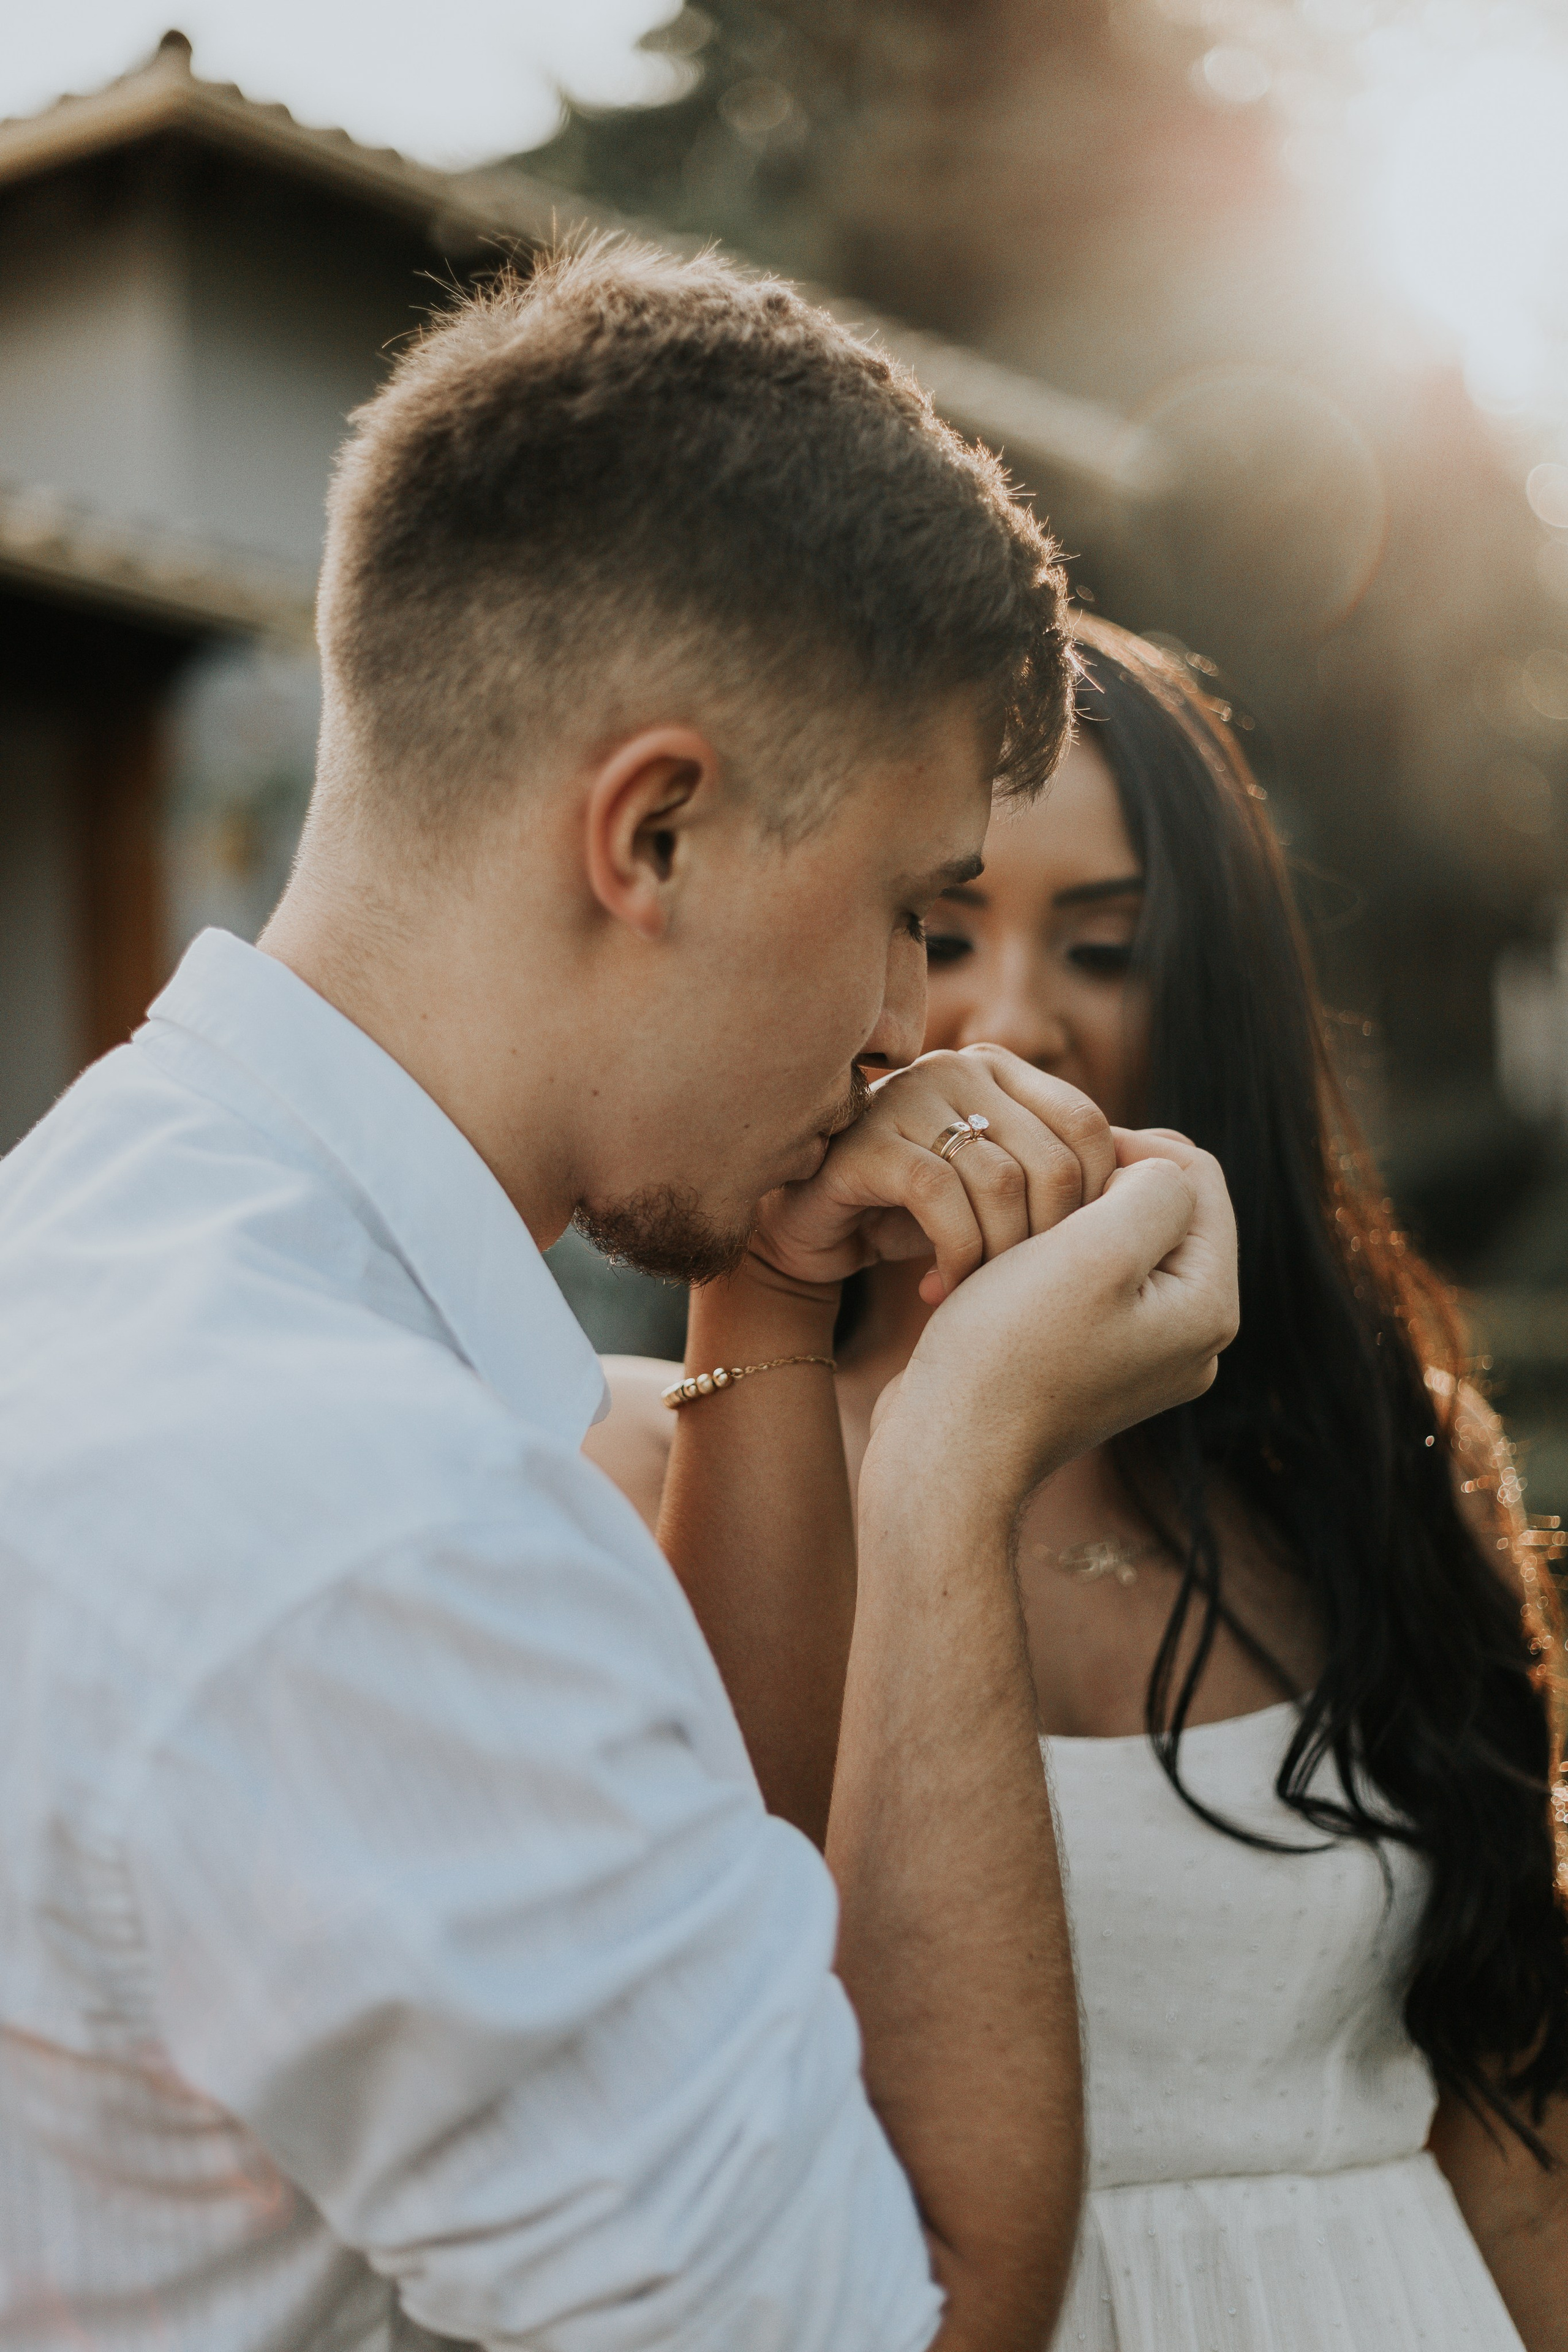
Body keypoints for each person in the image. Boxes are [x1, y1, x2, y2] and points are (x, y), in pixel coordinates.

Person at [0, 249, 1240, 2351]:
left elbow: (684, 1946)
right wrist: (949, 1469)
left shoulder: (111, 1247)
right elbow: (916, 2317)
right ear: (653, 829)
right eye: (911, 908)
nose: (902, 1025)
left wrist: (768, 1291)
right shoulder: (376, 1524)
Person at [590, 616, 1568, 2351]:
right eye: (941, 928)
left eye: (1103, 946)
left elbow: (1511, 2132)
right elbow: (729, 2055)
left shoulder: (1368, 1458)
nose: (1014, 1016)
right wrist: (792, 1309)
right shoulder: (652, 1463)